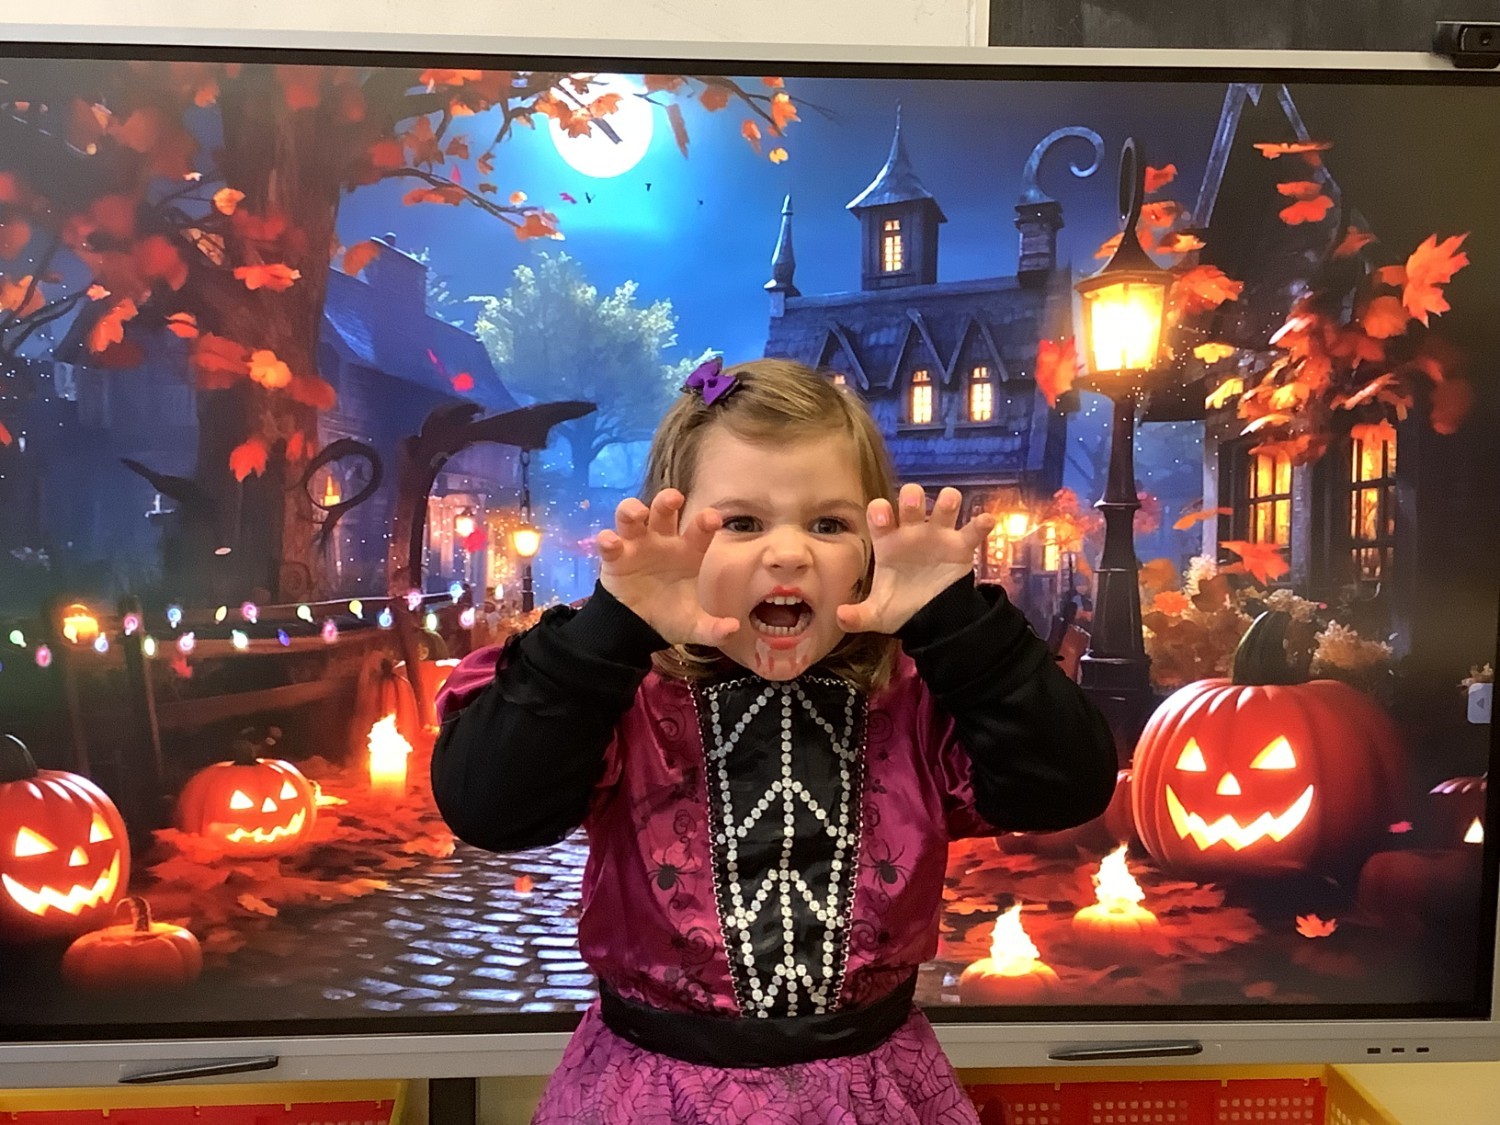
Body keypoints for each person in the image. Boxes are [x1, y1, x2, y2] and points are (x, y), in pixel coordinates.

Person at [431, 357, 1116, 1124]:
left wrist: (959, 627)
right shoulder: (622, 699)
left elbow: (1066, 785)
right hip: (652, 1095)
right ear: (675, 532)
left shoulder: (919, 701)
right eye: (742, 522)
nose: (788, 553)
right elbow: (488, 805)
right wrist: (608, 633)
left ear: (871, 548)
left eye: (828, 524)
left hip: (872, 1094)